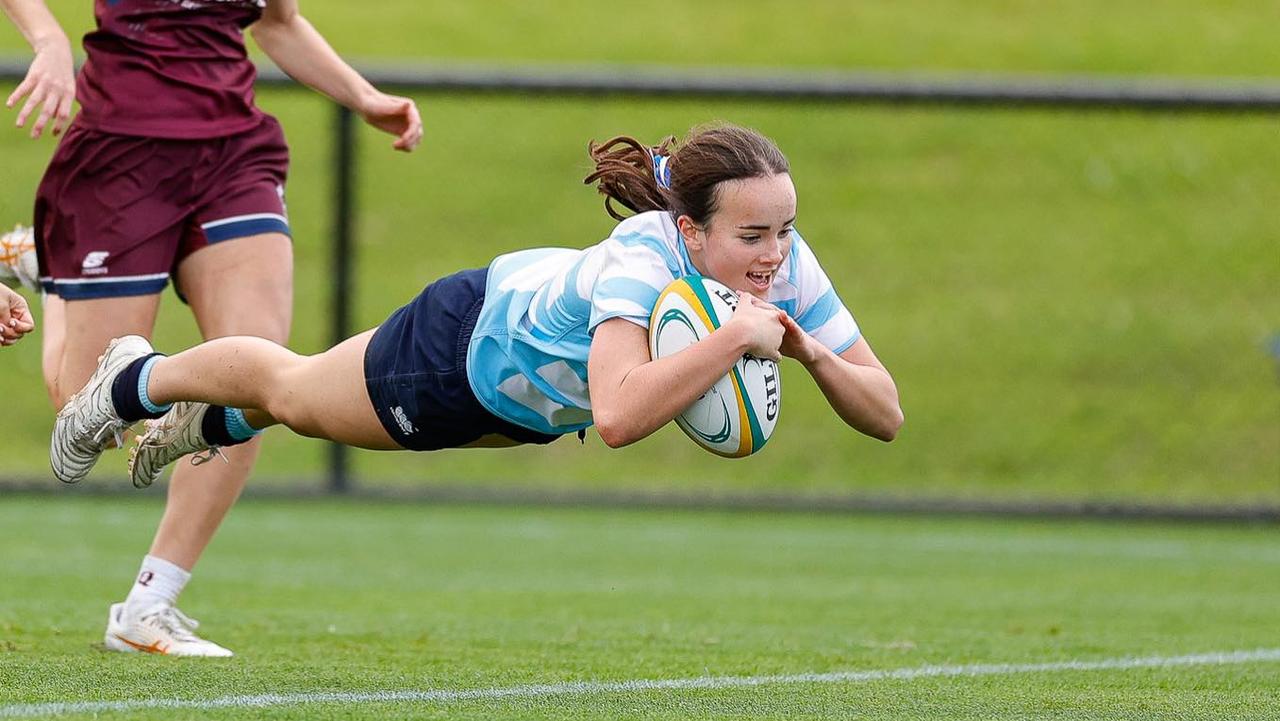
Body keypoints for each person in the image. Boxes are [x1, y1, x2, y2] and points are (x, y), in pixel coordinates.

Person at [54, 122, 903, 509]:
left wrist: (808, 351)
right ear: (691, 228)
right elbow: (616, 416)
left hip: (530, 403)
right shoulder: (649, 255)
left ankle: (211, 420)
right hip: (464, 350)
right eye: (753, 232)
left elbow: (887, 413)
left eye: (785, 229)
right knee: (298, 388)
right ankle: (131, 380)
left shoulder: (781, 266)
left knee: (296, 407)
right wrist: (732, 338)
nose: (775, 253)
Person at [3, 0, 422, 656]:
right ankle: (49, 268)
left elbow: (277, 22)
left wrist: (364, 97)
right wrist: (49, 39)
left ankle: (150, 601)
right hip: (121, 155)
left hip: (233, 159)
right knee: (83, 408)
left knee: (257, 383)